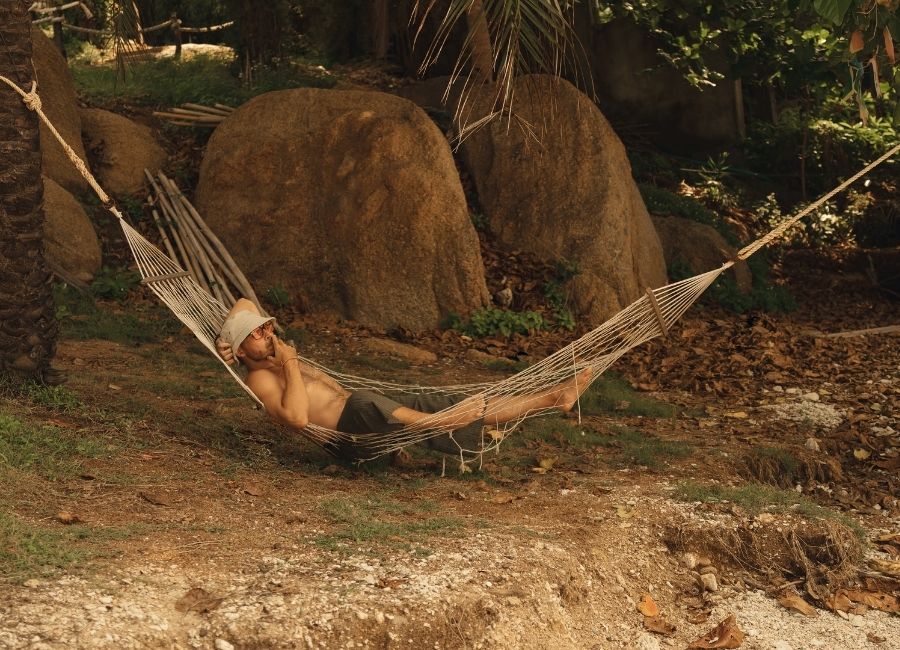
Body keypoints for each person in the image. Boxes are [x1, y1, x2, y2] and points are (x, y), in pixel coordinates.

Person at [216, 298, 592, 460]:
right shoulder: (260, 379)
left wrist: (225, 336)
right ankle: (437, 424)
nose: (267, 333)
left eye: (266, 328)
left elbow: (245, 302)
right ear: (244, 352)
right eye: (256, 334)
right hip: (356, 436)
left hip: (377, 421)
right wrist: (292, 363)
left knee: (455, 402)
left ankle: (553, 397)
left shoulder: (263, 353)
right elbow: (297, 419)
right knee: (366, 400)